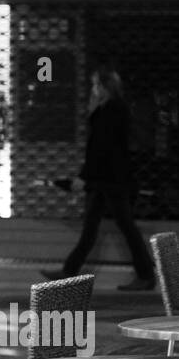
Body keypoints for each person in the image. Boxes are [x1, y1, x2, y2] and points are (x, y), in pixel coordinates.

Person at [54, 66, 156, 291]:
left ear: (104, 86)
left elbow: (101, 148)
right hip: (108, 180)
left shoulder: (110, 110)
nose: (93, 88)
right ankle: (69, 270)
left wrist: (84, 177)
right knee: (94, 226)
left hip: (110, 181)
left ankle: (147, 274)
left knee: (125, 225)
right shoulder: (112, 108)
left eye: (96, 84)